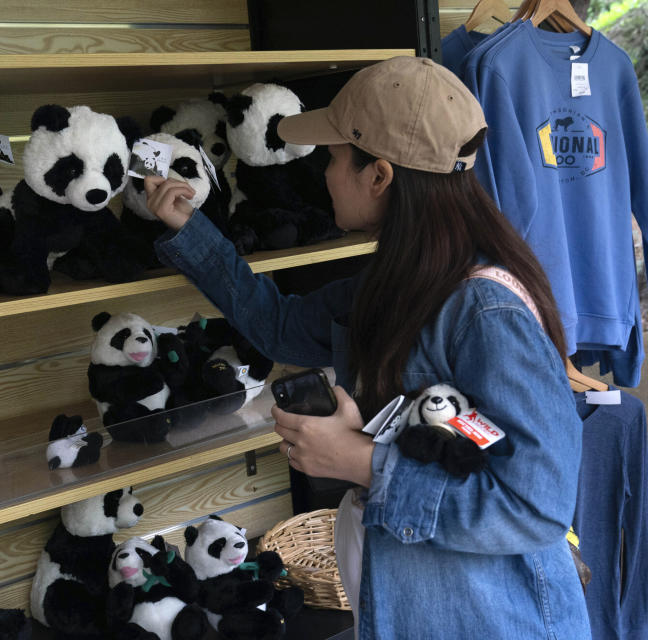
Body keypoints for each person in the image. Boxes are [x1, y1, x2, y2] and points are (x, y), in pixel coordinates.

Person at [144, 56, 591, 639]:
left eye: (332, 157)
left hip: (494, 618)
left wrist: (360, 462)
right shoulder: (400, 279)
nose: (322, 172)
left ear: (378, 175)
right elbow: (281, 325)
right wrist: (190, 229)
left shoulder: (484, 310)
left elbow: (537, 505)